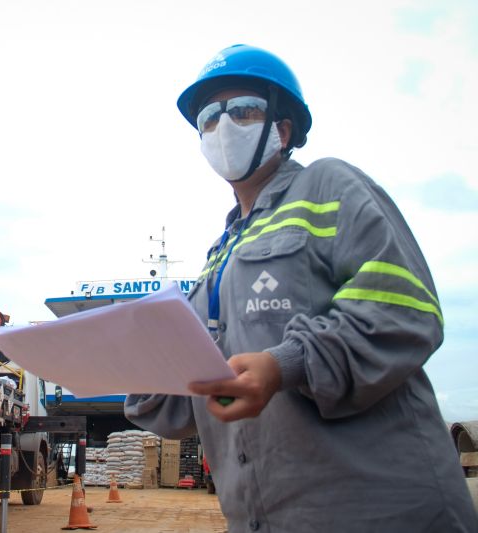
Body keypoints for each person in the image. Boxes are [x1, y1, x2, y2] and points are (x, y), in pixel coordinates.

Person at [124, 44, 477, 532]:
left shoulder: (329, 187)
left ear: (282, 129)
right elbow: (191, 404)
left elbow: (404, 309)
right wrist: (128, 362)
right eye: (208, 117)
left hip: (378, 511)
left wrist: (284, 364)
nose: (222, 127)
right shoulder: (218, 257)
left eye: (242, 111)